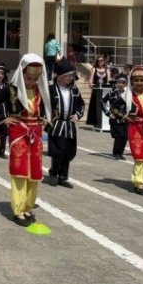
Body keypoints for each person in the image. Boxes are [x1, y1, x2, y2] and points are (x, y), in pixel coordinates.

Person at [0, 53, 51, 227]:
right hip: (19, 133)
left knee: (34, 172)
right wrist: (3, 119)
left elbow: (49, 107)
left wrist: (45, 119)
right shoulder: (11, 89)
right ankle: (18, 210)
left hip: (36, 134)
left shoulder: (42, 90)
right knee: (20, 171)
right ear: (22, 74)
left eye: (35, 78)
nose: (32, 81)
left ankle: (28, 207)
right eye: (29, 77)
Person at [111, 66, 143, 196]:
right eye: (136, 80)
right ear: (131, 81)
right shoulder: (126, 95)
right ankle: (139, 183)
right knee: (140, 154)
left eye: (142, 80)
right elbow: (114, 108)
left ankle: (141, 180)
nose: (139, 82)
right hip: (135, 127)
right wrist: (125, 116)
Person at [48, 59, 84, 188]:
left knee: (68, 151)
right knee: (57, 150)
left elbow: (81, 104)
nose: (69, 78)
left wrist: (78, 115)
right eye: (67, 75)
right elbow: (45, 105)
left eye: (71, 76)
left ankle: (63, 176)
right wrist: (48, 119)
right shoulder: (51, 89)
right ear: (60, 76)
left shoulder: (74, 90)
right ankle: (53, 174)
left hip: (69, 125)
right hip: (57, 125)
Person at [104, 74, 129, 160]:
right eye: (119, 82)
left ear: (126, 84)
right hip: (114, 118)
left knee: (125, 136)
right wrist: (107, 113)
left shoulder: (128, 94)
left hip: (125, 117)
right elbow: (102, 102)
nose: (121, 84)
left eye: (123, 82)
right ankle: (115, 153)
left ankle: (120, 153)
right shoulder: (112, 93)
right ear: (116, 83)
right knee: (119, 135)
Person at [86, 55, 111, 127]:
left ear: (104, 61)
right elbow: (90, 79)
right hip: (96, 89)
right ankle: (96, 122)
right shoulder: (94, 69)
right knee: (95, 105)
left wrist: (109, 84)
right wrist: (91, 84)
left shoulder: (107, 69)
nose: (100, 62)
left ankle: (105, 122)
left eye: (101, 60)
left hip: (104, 90)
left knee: (104, 104)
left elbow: (109, 80)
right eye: (98, 61)